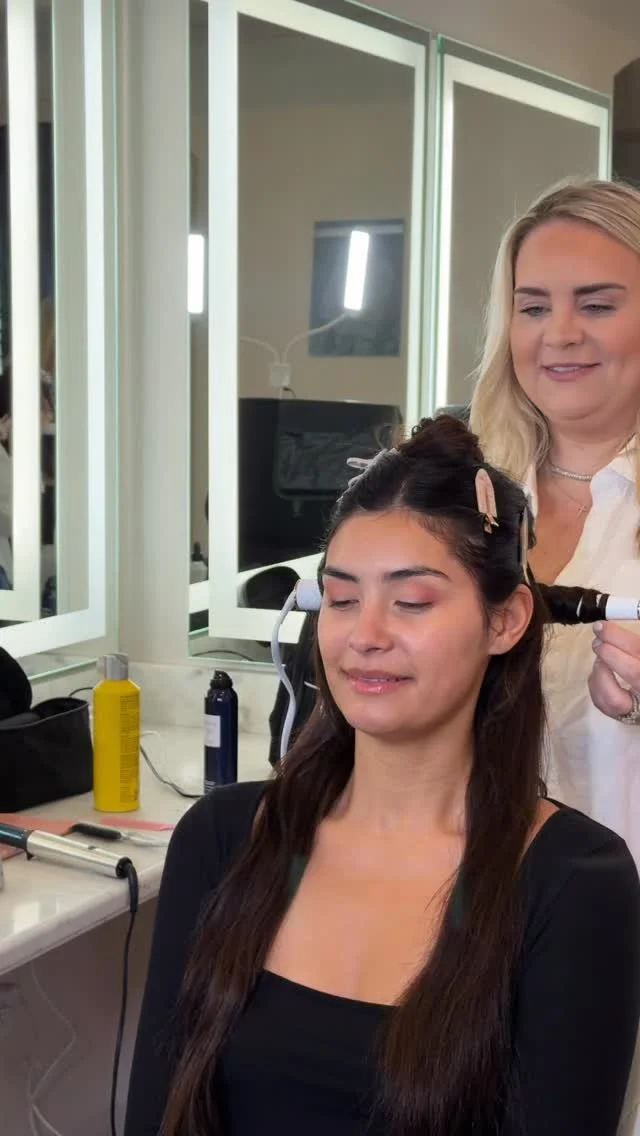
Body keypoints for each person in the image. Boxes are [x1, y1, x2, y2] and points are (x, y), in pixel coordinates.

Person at [125, 416, 640, 1136]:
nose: (364, 636)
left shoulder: (573, 882)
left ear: (506, 621)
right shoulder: (225, 839)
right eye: (341, 599)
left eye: (412, 602)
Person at [470, 178, 640, 862]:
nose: (560, 334)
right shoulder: (459, 494)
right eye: (534, 307)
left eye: (597, 305)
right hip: (471, 900)